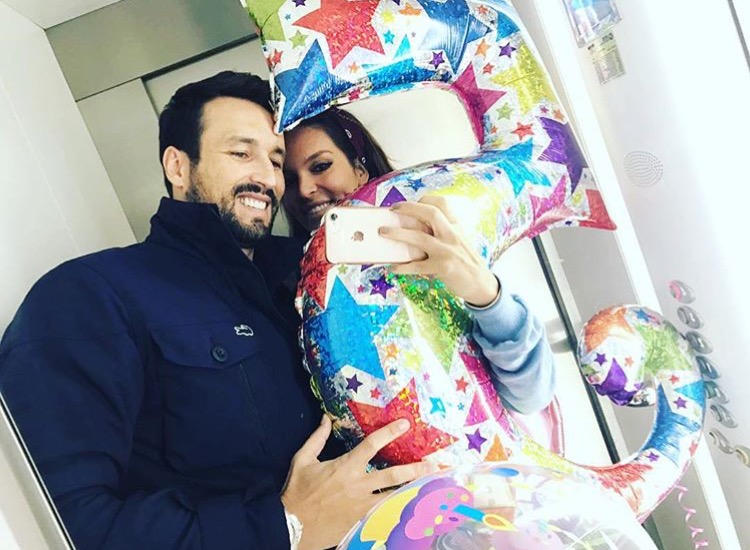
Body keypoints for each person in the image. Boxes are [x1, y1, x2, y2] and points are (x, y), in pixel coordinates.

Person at [0, 71, 432, 550]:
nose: (266, 177)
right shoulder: (88, 296)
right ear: (178, 166)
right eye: (241, 153)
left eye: (274, 160)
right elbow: (58, 522)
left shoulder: (308, 278)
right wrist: (285, 524)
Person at [284, 108, 556, 414]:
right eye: (289, 180)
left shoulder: (437, 242)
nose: (304, 190)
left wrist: (486, 296)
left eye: (321, 166)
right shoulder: (290, 288)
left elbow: (531, 396)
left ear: (360, 169)